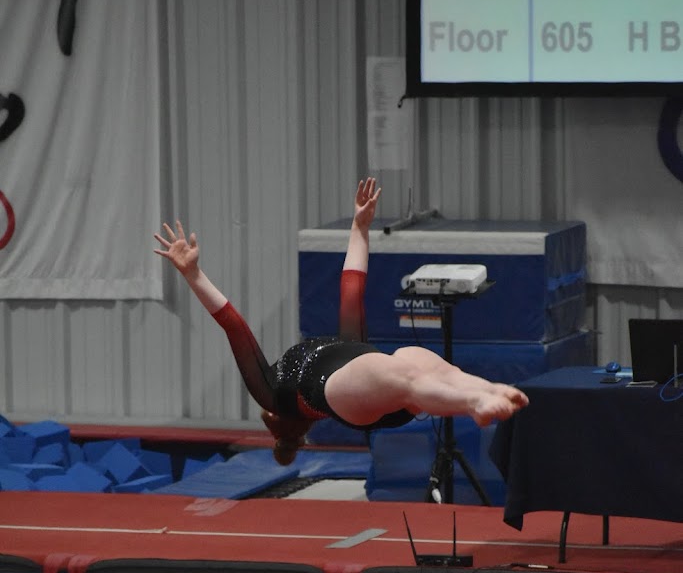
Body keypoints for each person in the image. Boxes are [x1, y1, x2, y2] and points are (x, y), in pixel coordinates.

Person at [154, 178, 529, 464]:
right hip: (344, 392)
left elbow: (352, 291)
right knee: (406, 372)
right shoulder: (272, 393)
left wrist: (359, 228)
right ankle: (474, 402)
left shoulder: (345, 346)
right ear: (276, 417)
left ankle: (489, 390)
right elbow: (234, 327)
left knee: (420, 360)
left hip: (369, 381)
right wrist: (193, 275)